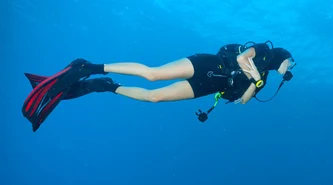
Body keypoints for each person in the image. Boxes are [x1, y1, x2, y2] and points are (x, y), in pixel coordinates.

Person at [22, 41, 295, 131]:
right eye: (289, 63)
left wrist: (253, 86)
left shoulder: (264, 79)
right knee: (153, 75)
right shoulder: (261, 51)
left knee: (155, 98)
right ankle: (91, 67)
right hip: (208, 65)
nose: (289, 68)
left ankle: (105, 86)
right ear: (282, 57)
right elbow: (240, 57)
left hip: (208, 87)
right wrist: (255, 75)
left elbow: (243, 101)